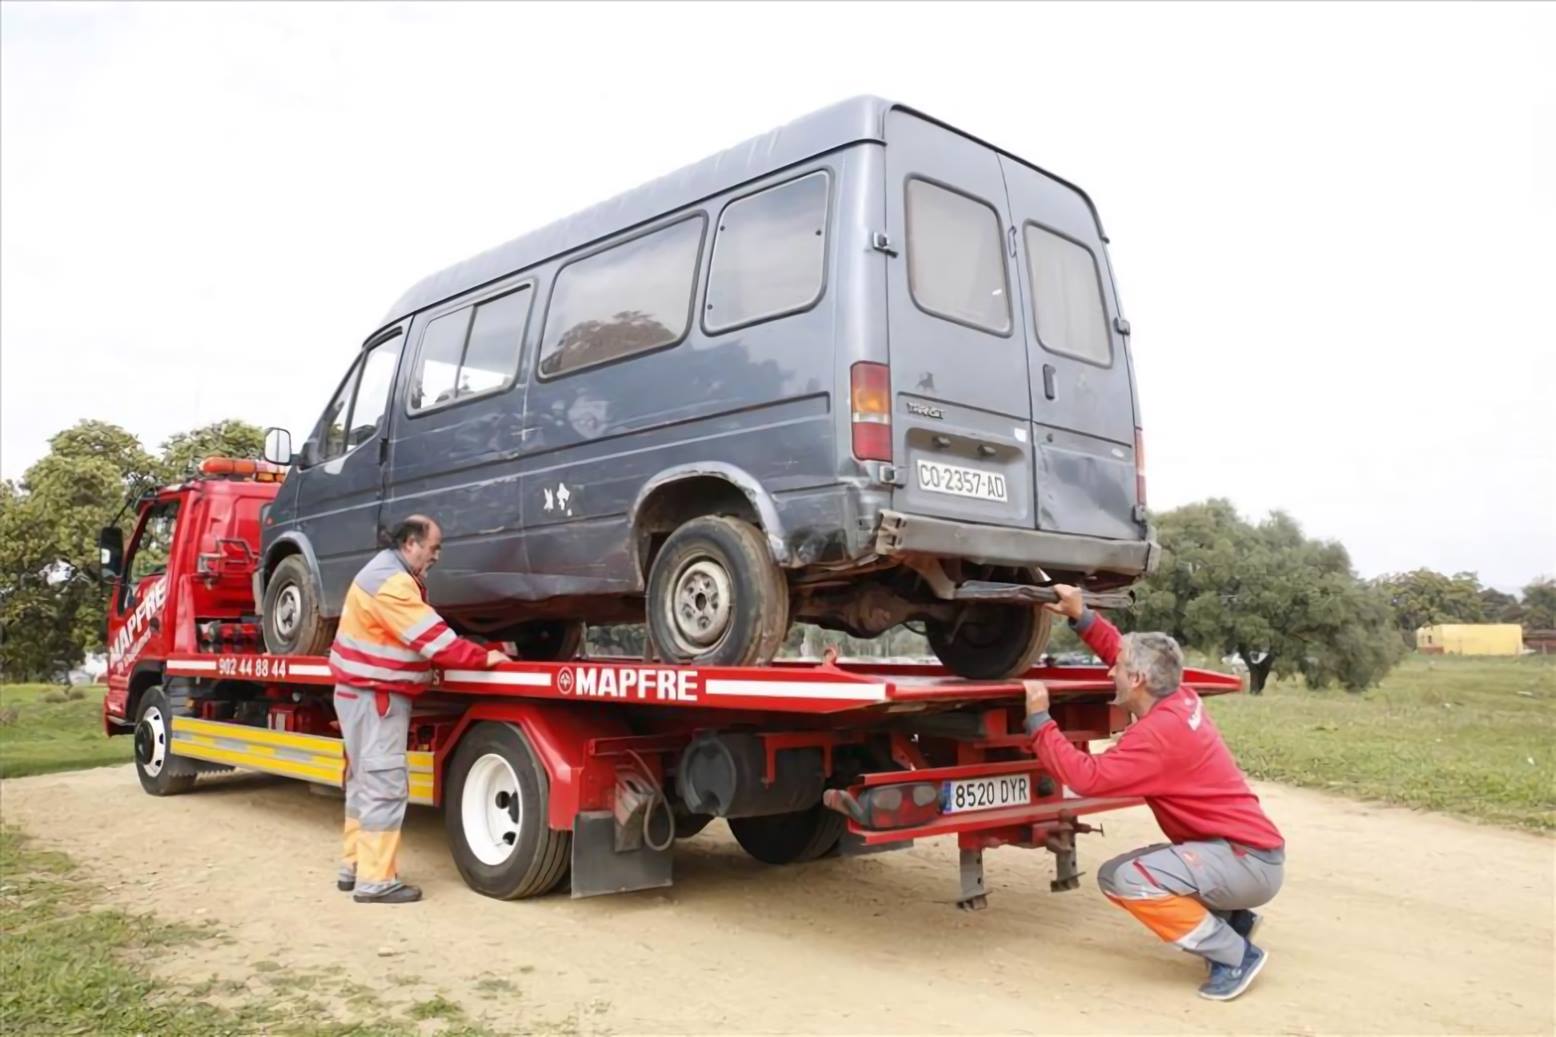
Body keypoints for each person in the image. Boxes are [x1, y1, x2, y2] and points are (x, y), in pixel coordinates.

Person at [1022, 585, 1285, 1002]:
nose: (1111, 672)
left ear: (1139, 680)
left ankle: (1236, 956)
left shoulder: (1157, 737)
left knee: (1130, 880)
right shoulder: (1178, 696)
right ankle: (1234, 920)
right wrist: (1082, 615)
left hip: (1246, 863)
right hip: (1249, 853)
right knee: (1121, 872)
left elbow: (1087, 778)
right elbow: (1119, 651)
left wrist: (1039, 721)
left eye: (1119, 669)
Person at [328, 515, 507, 904]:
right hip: (376, 697)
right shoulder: (393, 584)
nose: (436, 556)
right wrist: (485, 658)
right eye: (434, 548)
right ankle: (375, 882)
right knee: (384, 786)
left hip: (359, 693)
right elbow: (436, 642)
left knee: (364, 783)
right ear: (411, 544)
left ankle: (355, 867)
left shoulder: (382, 573)